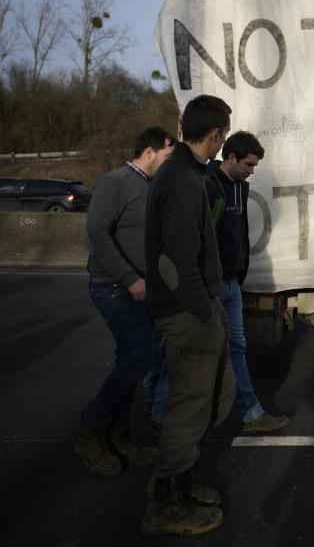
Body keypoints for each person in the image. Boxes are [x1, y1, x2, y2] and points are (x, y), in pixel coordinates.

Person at [140, 95, 236, 536]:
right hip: (187, 312)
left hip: (193, 307)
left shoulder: (183, 172)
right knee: (188, 406)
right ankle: (167, 505)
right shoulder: (181, 180)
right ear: (215, 135)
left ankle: (182, 482)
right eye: (224, 135)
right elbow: (175, 265)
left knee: (212, 397)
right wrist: (206, 313)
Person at [71, 126, 175, 478]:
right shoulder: (115, 182)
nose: (169, 161)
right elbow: (97, 234)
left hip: (140, 290)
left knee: (132, 358)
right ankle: (90, 430)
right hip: (114, 287)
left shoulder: (150, 187)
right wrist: (130, 278)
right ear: (148, 152)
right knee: (140, 356)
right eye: (166, 154)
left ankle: (119, 436)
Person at [205, 131, 289, 433]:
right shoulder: (208, 184)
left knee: (237, 347)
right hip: (210, 287)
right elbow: (203, 239)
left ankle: (251, 413)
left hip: (231, 284)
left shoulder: (240, 187)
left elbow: (237, 235)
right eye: (249, 164)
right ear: (231, 157)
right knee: (189, 350)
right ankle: (161, 412)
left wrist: (238, 273)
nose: (252, 171)